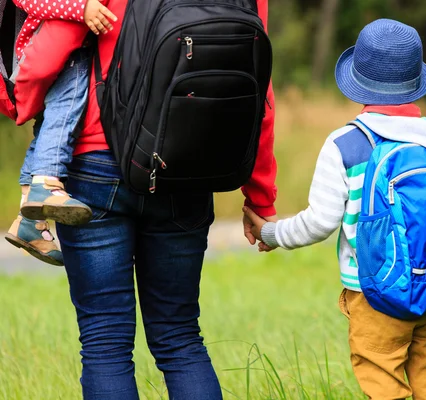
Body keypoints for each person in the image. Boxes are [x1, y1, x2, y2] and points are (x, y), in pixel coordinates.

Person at [53, 0, 277, 398]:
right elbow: (260, 91)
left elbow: (54, 44)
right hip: (187, 166)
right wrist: (260, 197)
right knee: (180, 338)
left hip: (97, 159)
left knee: (105, 343)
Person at [243, 19, 426, 400]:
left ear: (358, 83)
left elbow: (319, 222)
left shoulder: (346, 145)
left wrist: (269, 233)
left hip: (373, 292)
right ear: (415, 81)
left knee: (383, 384)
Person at [1, 0, 118, 265]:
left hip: (60, 45)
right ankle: (46, 183)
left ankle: (29, 220)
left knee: (51, 124)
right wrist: (81, 8)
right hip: (50, 48)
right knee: (66, 110)